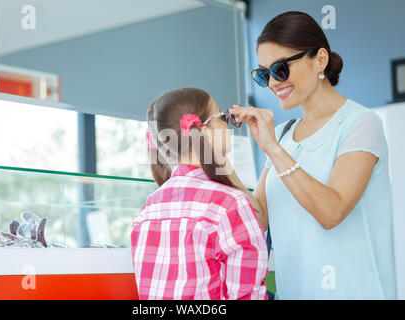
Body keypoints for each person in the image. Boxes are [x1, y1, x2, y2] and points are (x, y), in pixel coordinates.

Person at [229, 11, 396, 299]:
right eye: (263, 74)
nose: (272, 83)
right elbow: (258, 220)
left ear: (320, 59)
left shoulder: (360, 123)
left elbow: (331, 212)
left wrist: (272, 148)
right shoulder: (282, 134)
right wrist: (216, 159)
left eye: (280, 69)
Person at [131, 87, 268, 300]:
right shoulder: (230, 204)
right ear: (204, 132)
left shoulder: (148, 208)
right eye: (222, 118)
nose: (227, 124)